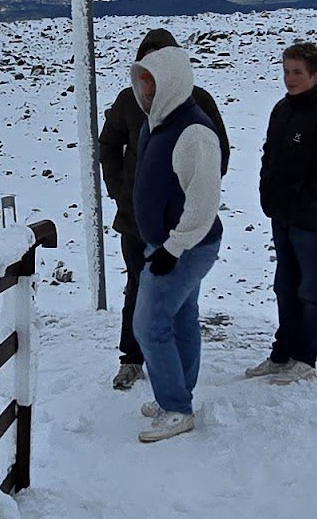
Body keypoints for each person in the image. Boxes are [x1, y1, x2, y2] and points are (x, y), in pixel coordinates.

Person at [97, 28, 227, 390]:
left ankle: (177, 389)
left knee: (180, 306)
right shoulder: (130, 101)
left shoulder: (197, 102)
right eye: (145, 63)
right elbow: (108, 144)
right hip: (134, 221)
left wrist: (189, 195)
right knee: (137, 288)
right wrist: (120, 189)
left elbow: (218, 154)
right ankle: (132, 359)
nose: (150, 78)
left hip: (180, 225)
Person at [130, 38, 226, 441]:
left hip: (187, 246)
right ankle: (177, 394)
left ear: (172, 81)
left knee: (149, 324)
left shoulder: (193, 133)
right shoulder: (159, 123)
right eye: (142, 80)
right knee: (181, 317)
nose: (146, 89)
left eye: (152, 81)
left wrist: (173, 247)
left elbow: (204, 202)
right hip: (170, 244)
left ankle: (175, 407)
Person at [251, 38, 317, 379]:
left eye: (297, 72)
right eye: (286, 71)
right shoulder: (282, 110)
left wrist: (304, 198)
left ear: (316, 75)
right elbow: (269, 155)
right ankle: (282, 353)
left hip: (311, 220)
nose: (290, 78)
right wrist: (267, 192)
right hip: (282, 216)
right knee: (285, 287)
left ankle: (305, 358)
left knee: (310, 291)